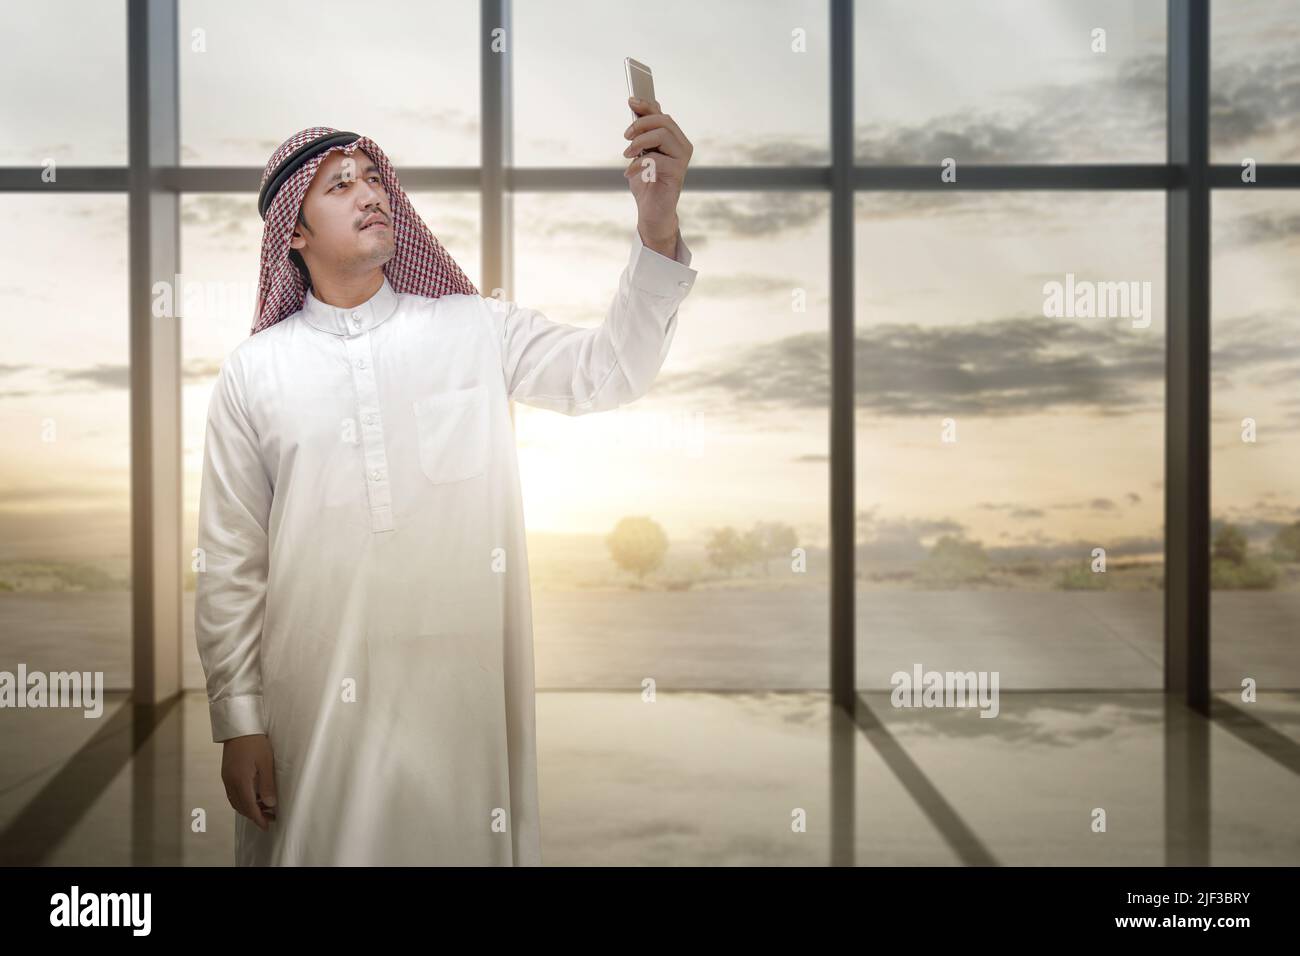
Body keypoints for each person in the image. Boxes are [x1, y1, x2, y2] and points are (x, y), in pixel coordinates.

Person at [194, 101, 697, 865]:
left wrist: (657, 229)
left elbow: (609, 371)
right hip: (314, 703)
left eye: (373, 178)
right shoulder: (254, 372)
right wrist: (239, 721)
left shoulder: (474, 328)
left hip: (463, 701)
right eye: (339, 185)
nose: (369, 193)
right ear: (292, 232)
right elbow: (232, 561)